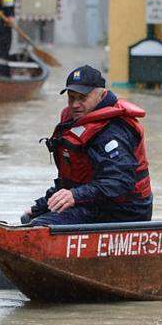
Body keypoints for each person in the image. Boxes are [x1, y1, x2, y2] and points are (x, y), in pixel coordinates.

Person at [22, 65, 153, 226]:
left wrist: (75, 195)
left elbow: (120, 182)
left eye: (82, 98)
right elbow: (74, 179)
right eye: (71, 97)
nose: (75, 104)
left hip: (124, 211)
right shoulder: (74, 122)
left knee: (41, 227)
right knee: (29, 219)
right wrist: (41, 205)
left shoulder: (113, 130)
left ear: (102, 95)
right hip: (94, 201)